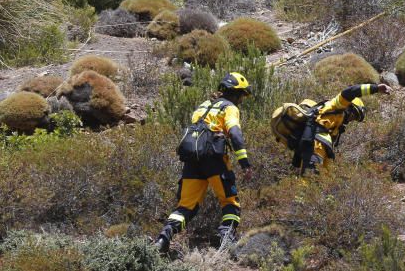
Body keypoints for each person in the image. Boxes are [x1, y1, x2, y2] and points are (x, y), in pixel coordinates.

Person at [153, 73, 254, 253]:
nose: (242, 100)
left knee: (185, 206)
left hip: (192, 161)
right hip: (215, 160)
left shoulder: (203, 106)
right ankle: (226, 240)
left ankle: (163, 238)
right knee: (230, 202)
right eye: (242, 96)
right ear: (236, 93)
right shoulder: (229, 108)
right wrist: (245, 163)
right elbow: (235, 134)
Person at [275, 83, 391, 174]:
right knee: (309, 180)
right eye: (354, 115)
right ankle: (300, 204)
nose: (351, 119)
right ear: (349, 107)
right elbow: (349, 92)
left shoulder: (337, 124)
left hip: (321, 148)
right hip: (314, 146)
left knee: (323, 182)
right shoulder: (338, 105)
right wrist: (375, 88)